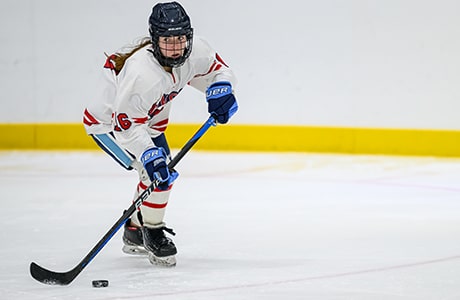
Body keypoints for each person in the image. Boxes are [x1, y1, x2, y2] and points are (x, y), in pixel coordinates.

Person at [82, 1, 238, 267]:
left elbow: (219, 70)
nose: (176, 47)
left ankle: (134, 230)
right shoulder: (142, 75)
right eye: (168, 40)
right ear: (155, 41)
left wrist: (222, 89)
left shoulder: (196, 51)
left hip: (148, 119)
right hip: (110, 126)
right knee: (154, 172)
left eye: (180, 38)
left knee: (162, 173)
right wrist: (148, 156)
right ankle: (150, 231)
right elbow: (126, 126)